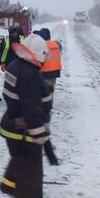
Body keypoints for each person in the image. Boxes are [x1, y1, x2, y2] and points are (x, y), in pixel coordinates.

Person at [0, 33, 51, 198]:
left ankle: (9, 184)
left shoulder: (15, 65)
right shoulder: (29, 74)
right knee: (32, 167)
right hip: (24, 128)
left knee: (20, 158)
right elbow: (30, 107)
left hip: (11, 124)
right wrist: (39, 133)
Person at [35, 27, 63, 165]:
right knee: (50, 92)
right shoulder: (55, 44)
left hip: (44, 74)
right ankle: (48, 105)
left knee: (44, 96)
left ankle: (45, 109)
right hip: (54, 73)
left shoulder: (43, 45)